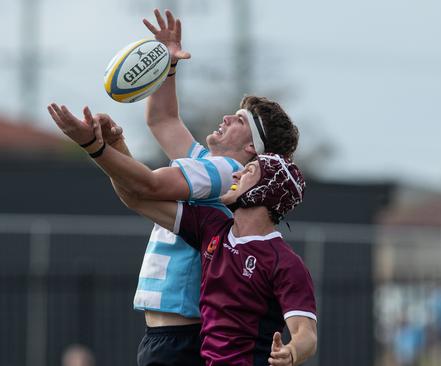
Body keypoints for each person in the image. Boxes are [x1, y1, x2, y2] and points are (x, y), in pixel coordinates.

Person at [47, 9, 302, 366]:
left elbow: (146, 185)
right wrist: (166, 65)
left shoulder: (225, 171)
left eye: (240, 121)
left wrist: (95, 147)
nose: (227, 117)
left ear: (251, 150)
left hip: (181, 338)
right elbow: (162, 119)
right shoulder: (209, 166)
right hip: (168, 335)